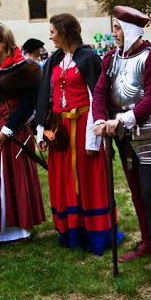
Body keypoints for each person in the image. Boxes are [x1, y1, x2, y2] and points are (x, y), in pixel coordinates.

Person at [92, 6, 151, 274]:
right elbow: (101, 93)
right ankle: (147, 242)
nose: (114, 34)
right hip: (122, 136)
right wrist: (100, 119)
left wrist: (122, 120)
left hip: (148, 133)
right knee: (137, 192)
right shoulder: (110, 59)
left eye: (117, 28)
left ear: (130, 30)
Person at [36, 13, 122, 255]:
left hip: (85, 126)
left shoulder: (88, 57)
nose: (50, 36)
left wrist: (95, 138)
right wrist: (43, 130)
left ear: (64, 32)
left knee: (88, 179)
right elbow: (46, 95)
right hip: (61, 130)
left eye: (53, 31)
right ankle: (71, 230)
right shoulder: (53, 59)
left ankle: (95, 232)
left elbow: (98, 97)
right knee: (64, 180)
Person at [0, 24, 45, 247]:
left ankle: (19, 230)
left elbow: (28, 105)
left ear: (4, 43)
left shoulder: (25, 69)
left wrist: (7, 131)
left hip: (16, 133)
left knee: (16, 180)